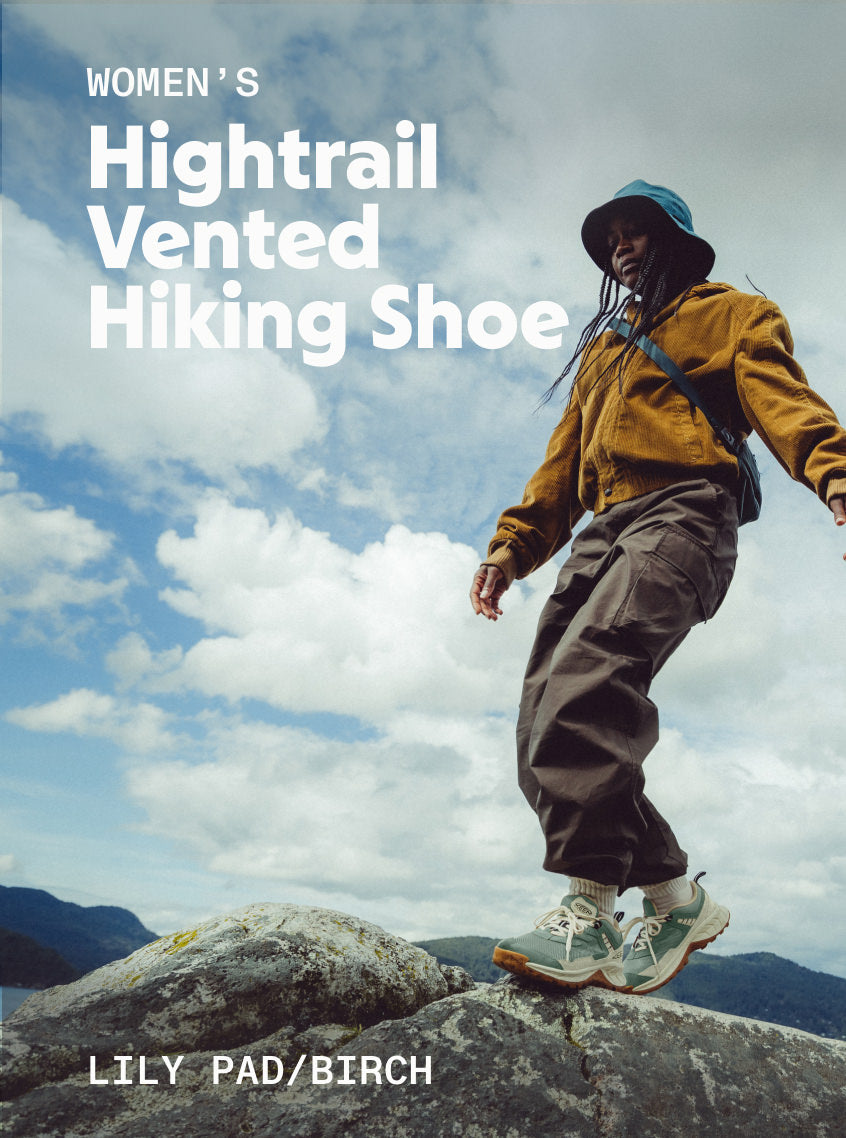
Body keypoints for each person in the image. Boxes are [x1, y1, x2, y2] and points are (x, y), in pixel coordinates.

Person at [470, 180, 846, 995]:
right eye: (612, 241)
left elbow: (786, 403)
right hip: (604, 529)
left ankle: (590, 910)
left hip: (685, 513)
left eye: (637, 233)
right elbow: (561, 468)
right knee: (543, 731)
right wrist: (512, 547)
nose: (621, 248)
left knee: (587, 689)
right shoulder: (605, 351)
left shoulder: (734, 315)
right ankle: (675, 898)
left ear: (677, 240)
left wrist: (835, 473)